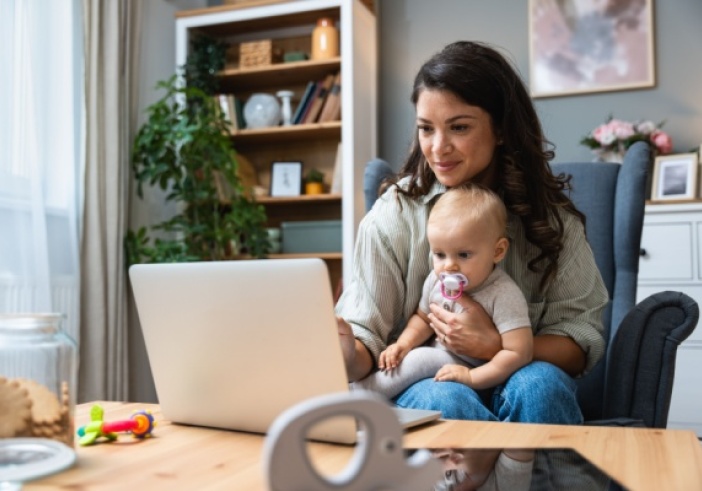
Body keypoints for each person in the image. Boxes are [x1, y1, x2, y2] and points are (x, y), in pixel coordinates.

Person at [335, 40, 608, 426]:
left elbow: (580, 341)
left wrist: (497, 346)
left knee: (541, 387)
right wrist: (345, 348)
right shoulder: (393, 214)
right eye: (426, 129)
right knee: (445, 398)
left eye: (459, 127)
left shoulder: (552, 220)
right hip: (430, 378)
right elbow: (367, 340)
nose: (438, 148)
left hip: (523, 373)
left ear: (500, 129)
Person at [352, 184, 532, 399]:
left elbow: (519, 352)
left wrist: (472, 377)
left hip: (479, 369)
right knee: (410, 357)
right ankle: (364, 395)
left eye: (463, 255)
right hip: (443, 363)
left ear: (498, 251)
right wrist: (403, 344)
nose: (449, 267)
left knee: (420, 360)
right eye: (439, 254)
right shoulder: (436, 280)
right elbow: (423, 317)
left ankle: (361, 396)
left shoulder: (503, 294)